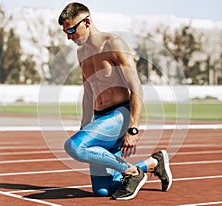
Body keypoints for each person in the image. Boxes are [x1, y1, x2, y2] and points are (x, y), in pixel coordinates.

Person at [58, 2, 172, 200]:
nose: (68, 36)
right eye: (65, 32)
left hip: (120, 115)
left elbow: (135, 87)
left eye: (70, 30)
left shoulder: (113, 43)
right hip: (100, 120)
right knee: (103, 190)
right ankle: (153, 163)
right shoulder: (81, 52)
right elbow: (88, 92)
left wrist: (133, 129)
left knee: (74, 147)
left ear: (86, 22)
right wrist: (85, 126)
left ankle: (133, 173)